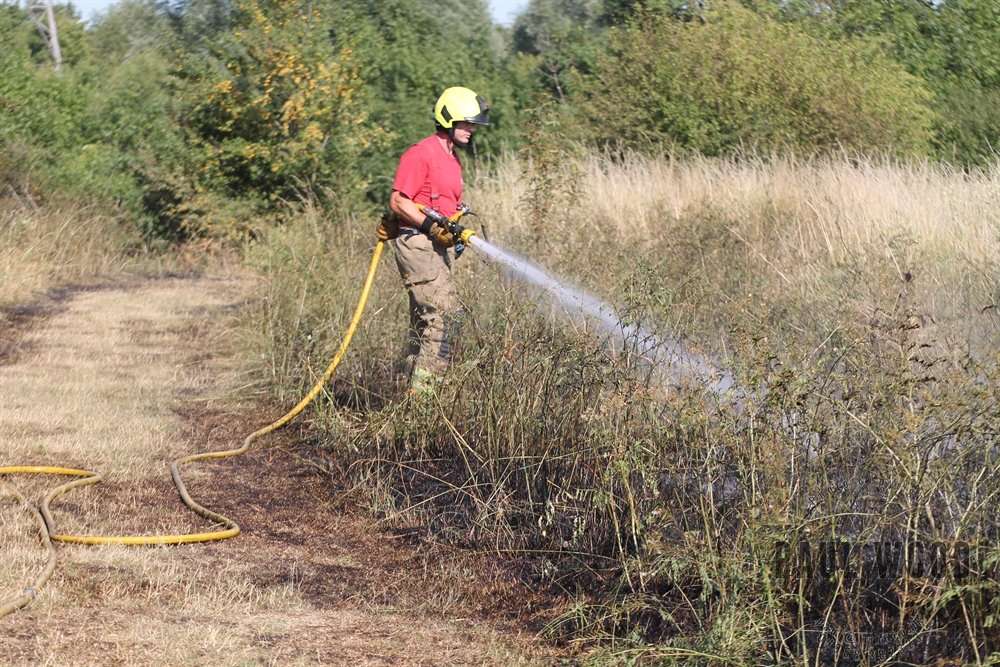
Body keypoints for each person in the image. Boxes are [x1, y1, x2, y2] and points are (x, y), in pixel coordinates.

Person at [383, 86, 490, 394]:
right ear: (449, 120)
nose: (471, 130)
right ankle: (425, 403)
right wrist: (432, 227)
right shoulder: (421, 154)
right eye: (467, 123)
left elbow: (445, 206)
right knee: (443, 321)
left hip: (437, 248)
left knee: (423, 326)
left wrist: (454, 232)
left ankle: (406, 395)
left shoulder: (452, 159)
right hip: (418, 244)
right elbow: (399, 201)